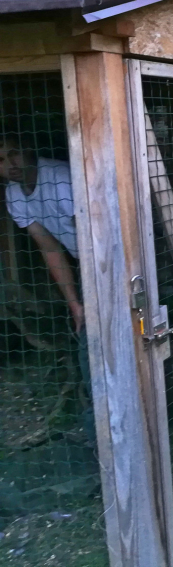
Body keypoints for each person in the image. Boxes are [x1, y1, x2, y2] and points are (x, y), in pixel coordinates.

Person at [0, 136, 92, 440]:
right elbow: (50, 249)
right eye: (1, 160)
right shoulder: (14, 194)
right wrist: (75, 304)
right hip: (84, 263)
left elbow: (98, 237)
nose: (10, 165)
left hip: (112, 259)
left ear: (28, 150)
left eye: (13, 153)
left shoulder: (64, 180)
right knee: (86, 335)